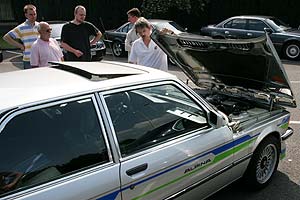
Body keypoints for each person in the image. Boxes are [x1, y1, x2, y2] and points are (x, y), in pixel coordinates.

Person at [3, 4, 39, 69]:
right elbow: (6, 37)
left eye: (34, 14)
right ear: (26, 15)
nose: (33, 16)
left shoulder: (39, 26)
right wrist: (20, 46)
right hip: (28, 60)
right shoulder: (21, 28)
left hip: (40, 59)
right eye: (31, 14)